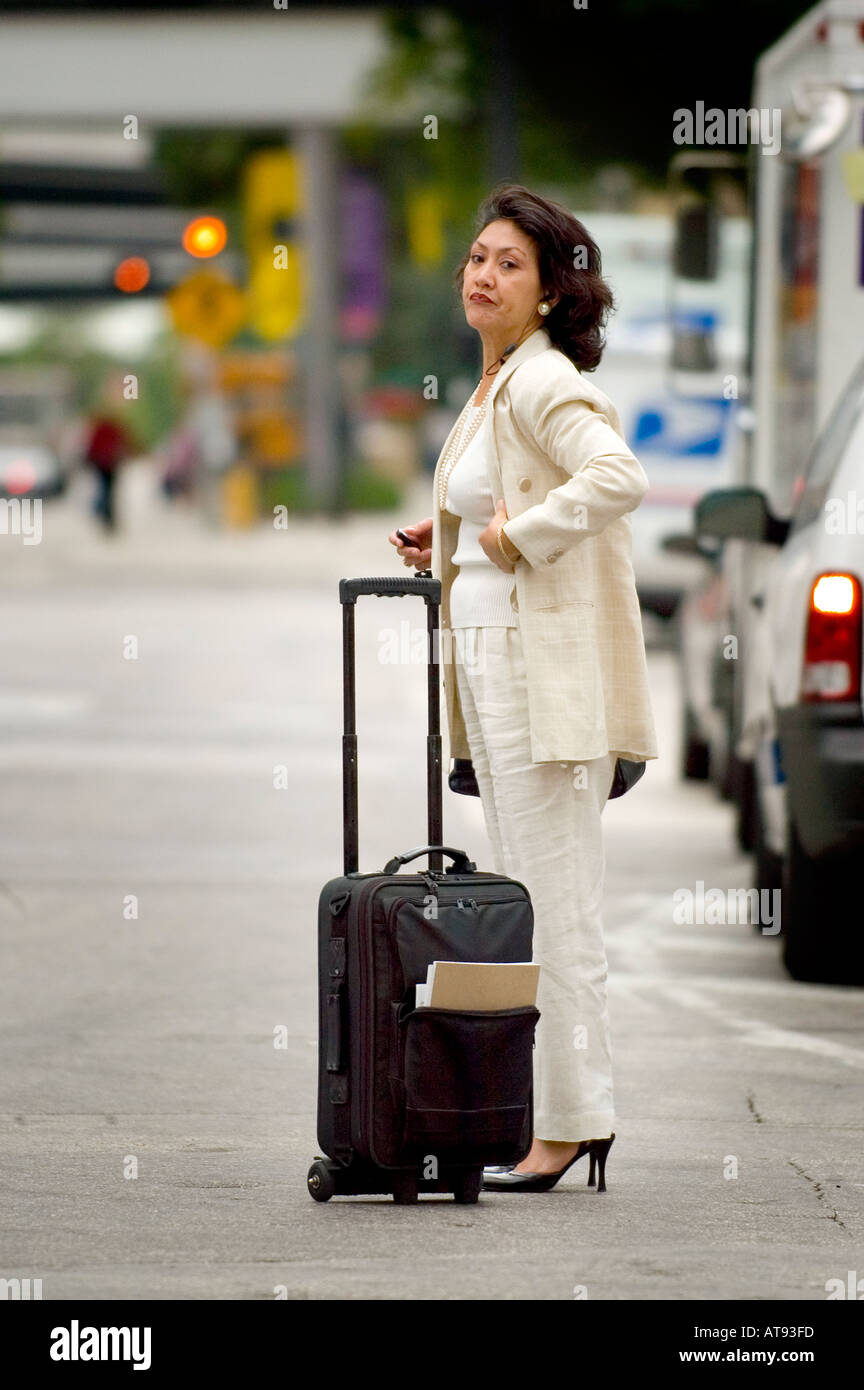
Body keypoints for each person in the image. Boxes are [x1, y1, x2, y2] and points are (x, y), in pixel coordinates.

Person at [388, 183, 658, 1193]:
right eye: (476, 258)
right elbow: (502, 504)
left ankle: (574, 1121)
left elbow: (616, 476)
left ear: (550, 293)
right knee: (531, 899)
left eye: (509, 264)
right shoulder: (496, 383)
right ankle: (557, 1117)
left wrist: (511, 536)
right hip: (501, 676)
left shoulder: (542, 380)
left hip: (544, 692)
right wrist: (450, 542)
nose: (483, 276)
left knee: (556, 908)